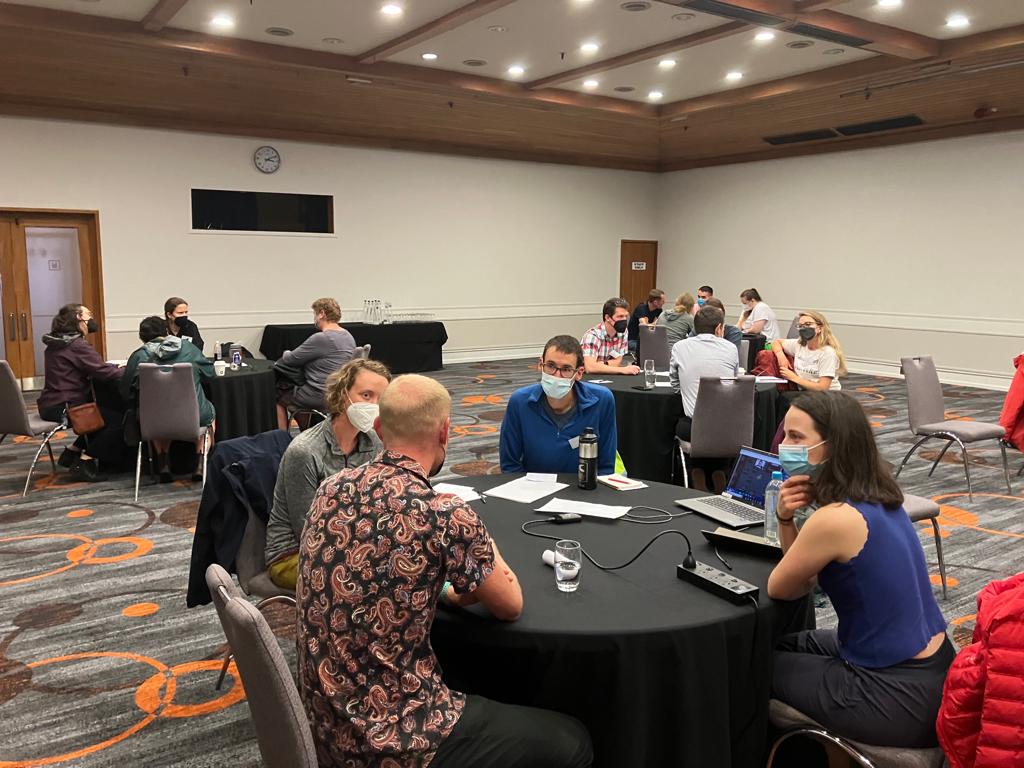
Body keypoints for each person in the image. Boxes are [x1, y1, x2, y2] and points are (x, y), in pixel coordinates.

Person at [297, 374, 593, 768]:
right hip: (394, 740)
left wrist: (451, 593)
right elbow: (510, 605)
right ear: (445, 432)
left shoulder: (331, 488)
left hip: (319, 724)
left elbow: (380, 575)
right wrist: (475, 533)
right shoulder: (444, 513)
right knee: (573, 740)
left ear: (381, 428)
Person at [768, 391, 953, 750]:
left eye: (796, 438)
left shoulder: (834, 519)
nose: (782, 447)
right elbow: (803, 578)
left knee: (751, 664)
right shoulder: (882, 496)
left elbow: (783, 588)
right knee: (781, 642)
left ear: (833, 446)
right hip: (934, 669)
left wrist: (783, 517)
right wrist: (789, 518)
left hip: (893, 694)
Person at [264, 358, 392, 590]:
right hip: (294, 553)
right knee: (374, 576)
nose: (374, 405)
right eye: (366, 395)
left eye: (380, 399)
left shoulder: (373, 442)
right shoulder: (305, 451)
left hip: (351, 541)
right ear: (343, 394)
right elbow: (307, 528)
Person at [499, 335, 616, 476]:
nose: (556, 375)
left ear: (579, 373)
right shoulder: (520, 402)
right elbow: (510, 466)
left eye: (566, 369)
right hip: (533, 489)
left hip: (583, 488)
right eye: (550, 366)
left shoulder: (602, 400)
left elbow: (606, 467)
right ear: (540, 365)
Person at [36, 303, 125, 481]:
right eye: (89, 315)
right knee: (119, 419)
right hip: (68, 407)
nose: (91, 319)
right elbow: (103, 372)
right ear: (79, 318)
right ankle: (85, 461)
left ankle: (72, 451)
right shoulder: (76, 345)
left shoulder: (56, 343)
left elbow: (87, 367)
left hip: (49, 404)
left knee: (102, 414)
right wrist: (129, 369)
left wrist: (110, 367)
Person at [121, 315, 216, 482]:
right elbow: (210, 373)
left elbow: (126, 388)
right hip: (193, 416)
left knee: (156, 412)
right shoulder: (189, 349)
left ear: (142, 337)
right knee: (209, 416)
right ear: (166, 331)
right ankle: (200, 463)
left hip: (153, 421)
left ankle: (163, 462)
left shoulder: (139, 356)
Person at [669, 306, 739, 491]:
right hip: (727, 431)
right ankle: (720, 473)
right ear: (719, 329)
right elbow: (732, 383)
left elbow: (675, 384)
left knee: (681, 423)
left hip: (694, 429)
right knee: (722, 428)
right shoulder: (731, 348)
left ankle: (695, 471)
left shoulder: (680, 347)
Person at [275, 297, 356, 429]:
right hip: (339, 393)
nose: (314, 318)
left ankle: (281, 441)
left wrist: (286, 352)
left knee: (278, 395)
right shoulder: (348, 336)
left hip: (319, 394)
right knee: (294, 399)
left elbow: (290, 359)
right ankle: (307, 432)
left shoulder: (322, 338)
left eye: (315, 314)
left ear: (322, 314)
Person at [770, 310, 847, 391]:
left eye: (808, 324)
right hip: (805, 392)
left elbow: (823, 388)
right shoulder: (799, 345)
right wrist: (780, 356)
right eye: (800, 326)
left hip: (826, 396)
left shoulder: (827, 353)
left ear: (819, 328)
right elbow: (776, 342)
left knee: (786, 399)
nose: (804, 328)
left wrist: (794, 378)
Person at [581, 298, 641, 376]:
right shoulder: (593, 336)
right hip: (588, 379)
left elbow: (618, 360)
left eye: (626, 316)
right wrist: (622, 369)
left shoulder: (623, 332)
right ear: (608, 318)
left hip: (608, 375)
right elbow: (590, 368)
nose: (624, 320)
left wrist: (601, 364)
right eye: (620, 316)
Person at [627, 289, 665, 354]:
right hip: (633, 341)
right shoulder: (641, 308)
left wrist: (650, 324)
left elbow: (654, 327)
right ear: (655, 302)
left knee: (661, 347)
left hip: (646, 340)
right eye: (663, 301)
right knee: (650, 348)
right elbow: (644, 328)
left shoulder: (658, 310)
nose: (664, 303)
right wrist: (652, 324)